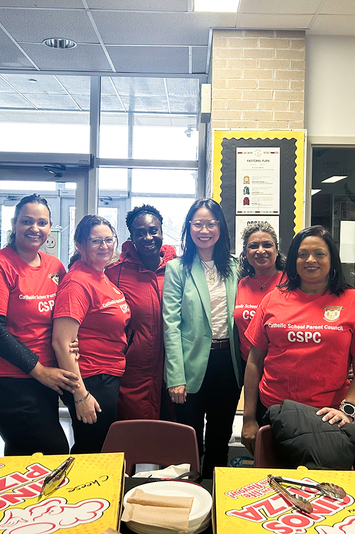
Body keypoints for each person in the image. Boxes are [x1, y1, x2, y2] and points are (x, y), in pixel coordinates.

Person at [241, 225, 355, 455]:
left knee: (323, 477)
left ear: (332, 259)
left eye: (319, 253)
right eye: (302, 254)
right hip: (272, 412)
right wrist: (249, 418)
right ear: (294, 260)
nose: (310, 260)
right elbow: (253, 362)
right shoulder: (272, 300)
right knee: (271, 475)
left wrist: (348, 410)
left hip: (328, 417)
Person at [0, 193, 79, 456]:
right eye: (27, 221)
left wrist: (71, 342)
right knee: (52, 451)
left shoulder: (54, 267)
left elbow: (64, 314)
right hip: (5, 377)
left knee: (23, 452)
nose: (35, 228)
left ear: (50, 227)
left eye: (42, 222)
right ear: (14, 224)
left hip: (45, 374)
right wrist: (40, 371)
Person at [163, 199, 242, 479]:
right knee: (190, 440)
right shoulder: (177, 268)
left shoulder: (235, 267)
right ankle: (191, 494)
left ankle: (214, 495)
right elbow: (171, 325)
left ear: (220, 227)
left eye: (211, 223)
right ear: (189, 227)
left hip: (228, 363)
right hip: (191, 364)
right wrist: (175, 376)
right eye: (198, 224)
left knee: (220, 439)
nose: (204, 230)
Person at [52, 215, 130, 453]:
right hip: (90, 378)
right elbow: (61, 342)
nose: (104, 246)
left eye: (109, 239)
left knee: (101, 448)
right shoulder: (77, 283)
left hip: (106, 375)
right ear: (80, 245)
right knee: (92, 452)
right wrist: (81, 395)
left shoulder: (100, 275)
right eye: (96, 241)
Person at [106, 204, 177, 420]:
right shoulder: (115, 274)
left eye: (153, 231)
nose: (148, 238)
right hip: (134, 371)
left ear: (161, 232)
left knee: (172, 431)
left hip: (174, 368)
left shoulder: (177, 270)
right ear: (132, 237)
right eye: (140, 233)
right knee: (135, 431)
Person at [234, 222, 285, 361]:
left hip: (279, 365)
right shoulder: (240, 284)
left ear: (277, 250)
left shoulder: (290, 283)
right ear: (245, 253)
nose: (261, 251)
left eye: (267, 245)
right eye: (253, 246)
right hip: (246, 364)